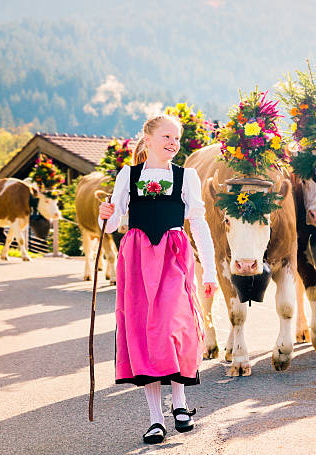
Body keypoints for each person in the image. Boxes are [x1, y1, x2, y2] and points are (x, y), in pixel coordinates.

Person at [98, 114, 218, 444]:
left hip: (174, 256)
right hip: (136, 259)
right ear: (148, 139)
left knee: (172, 325)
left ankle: (180, 403)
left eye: (176, 138)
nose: (172, 143)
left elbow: (200, 225)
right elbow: (111, 226)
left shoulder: (186, 176)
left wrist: (209, 270)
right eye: (166, 136)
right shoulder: (128, 175)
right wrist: (104, 215)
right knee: (144, 333)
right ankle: (155, 419)